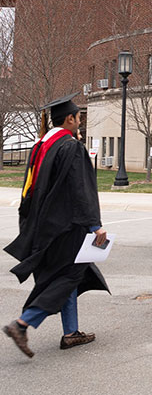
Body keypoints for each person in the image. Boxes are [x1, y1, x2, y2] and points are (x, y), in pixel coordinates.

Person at [3, 94, 109, 357]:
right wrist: (95, 225)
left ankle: (71, 332)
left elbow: (29, 187)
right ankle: (23, 322)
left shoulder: (41, 145)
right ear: (69, 119)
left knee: (63, 276)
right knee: (69, 276)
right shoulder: (70, 147)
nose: (80, 122)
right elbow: (80, 189)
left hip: (43, 225)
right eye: (78, 117)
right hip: (66, 226)